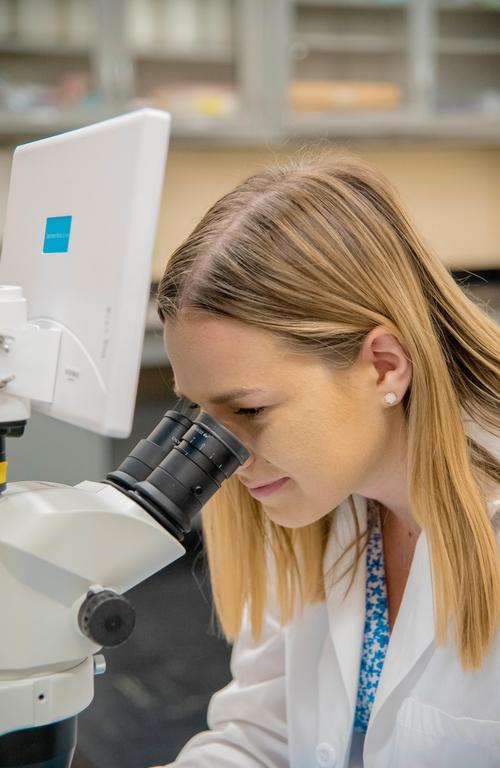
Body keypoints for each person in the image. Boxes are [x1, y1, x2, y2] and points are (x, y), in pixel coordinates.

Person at [151, 151, 500, 767]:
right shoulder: (307, 502)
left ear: (385, 364)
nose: (226, 459)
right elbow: (261, 738)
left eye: (250, 411)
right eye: (201, 413)